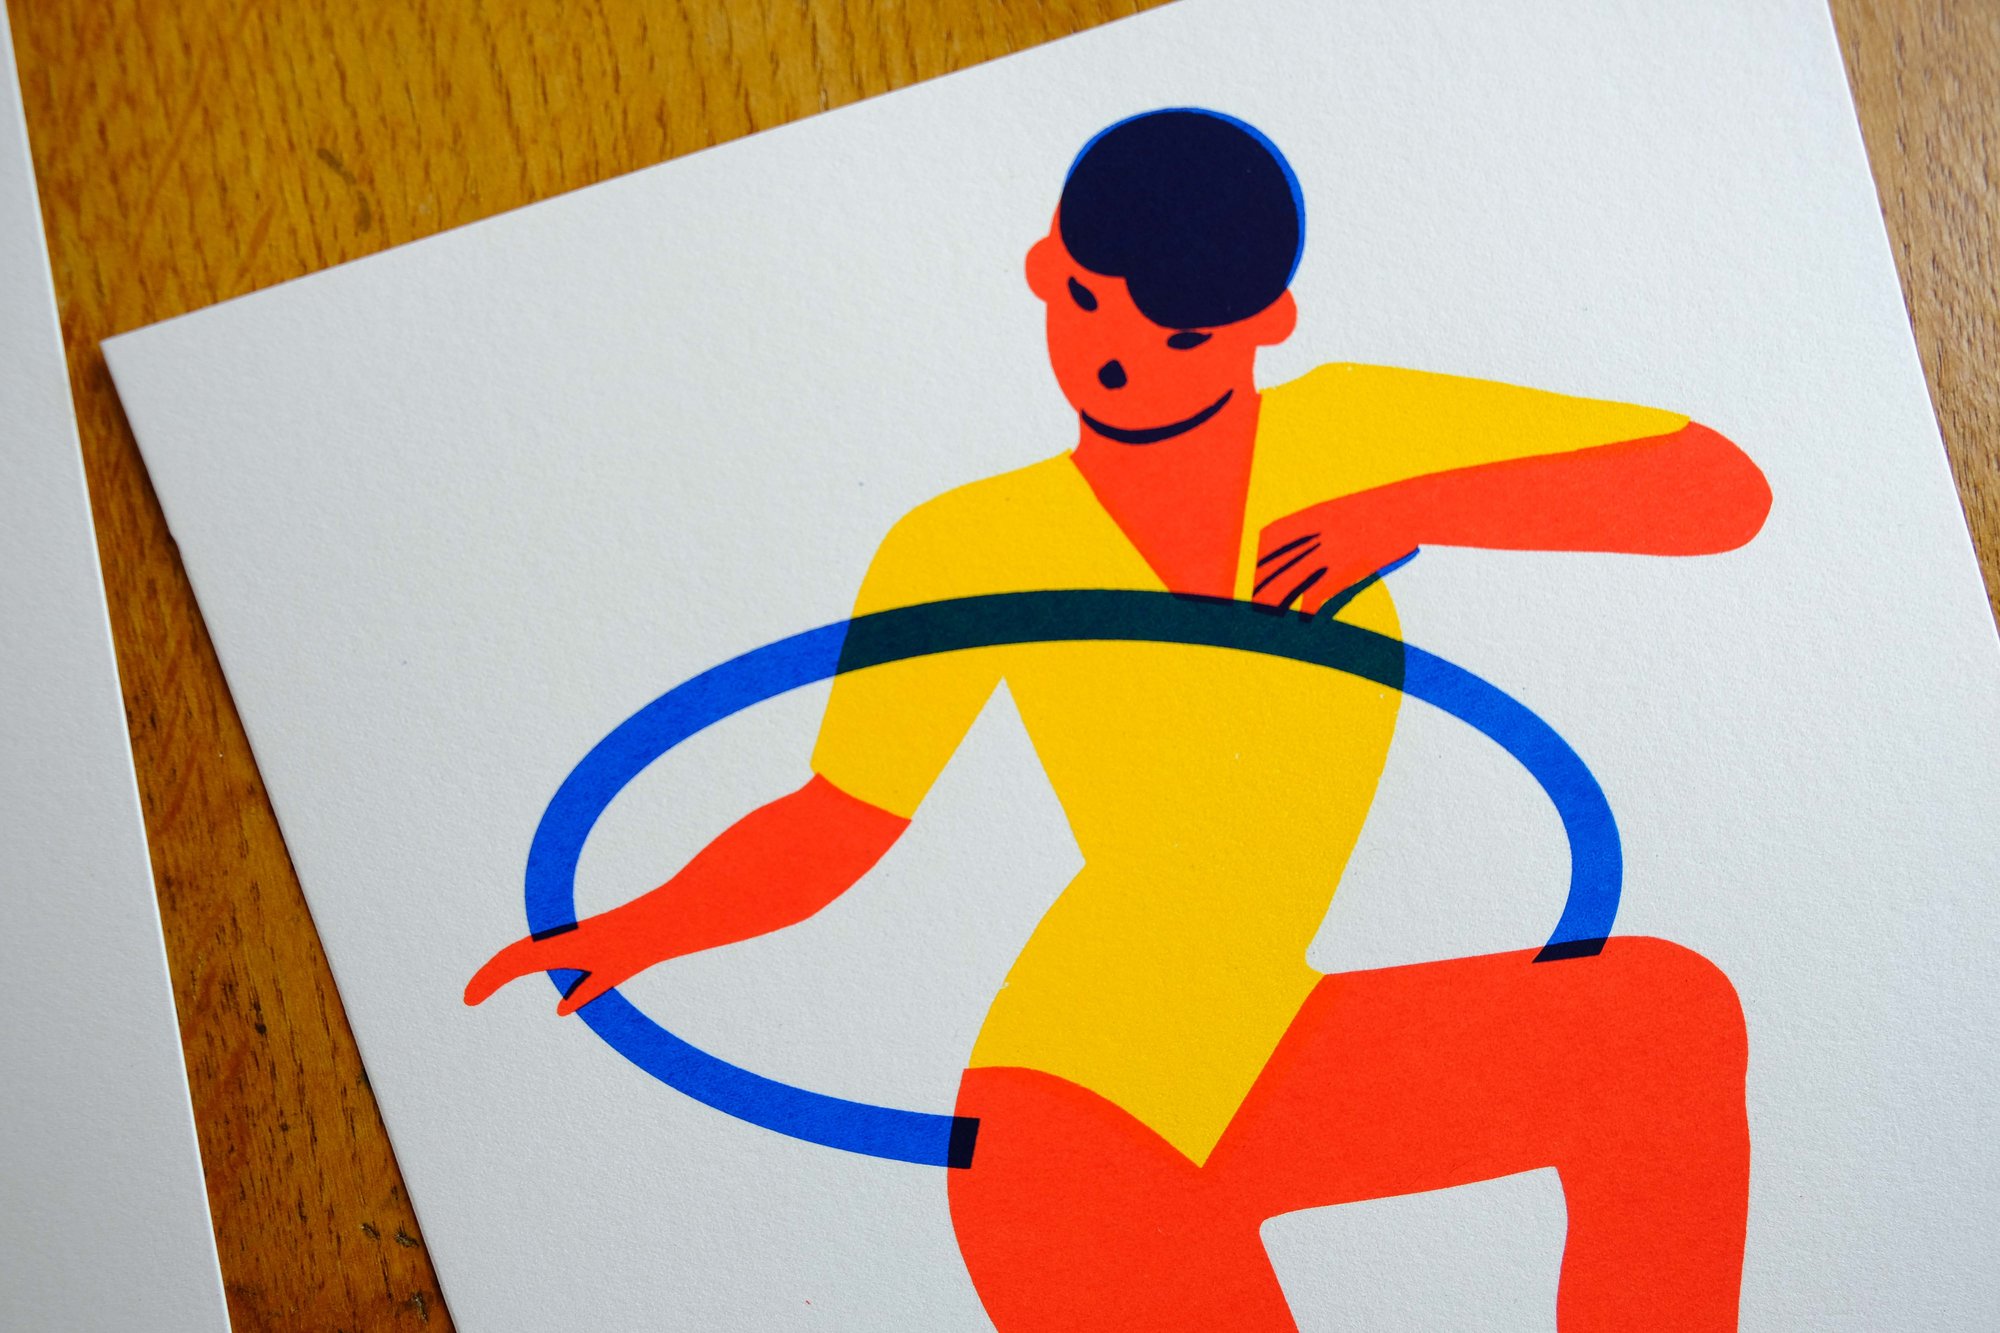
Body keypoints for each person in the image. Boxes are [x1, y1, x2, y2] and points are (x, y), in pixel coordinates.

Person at [468, 109, 1772, 1330]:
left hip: (1263, 1053)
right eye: (1089, 304)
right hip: (1073, 1118)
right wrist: (632, 929)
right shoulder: (968, 546)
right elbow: (839, 820)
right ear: (1046, 268)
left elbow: (1716, 489)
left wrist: (1411, 509)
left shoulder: (1351, 433)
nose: (1115, 358)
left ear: (1266, 323)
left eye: (1178, 339)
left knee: (1657, 1026)